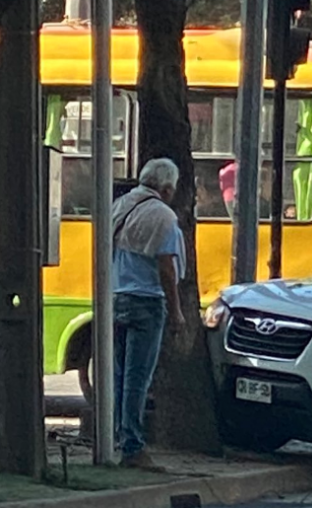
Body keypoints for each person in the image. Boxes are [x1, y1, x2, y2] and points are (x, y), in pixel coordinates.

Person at [111, 158, 186, 471]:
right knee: (137, 378)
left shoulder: (119, 205)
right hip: (147, 302)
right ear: (167, 188)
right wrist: (177, 312)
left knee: (118, 375)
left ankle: (116, 436)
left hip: (117, 297)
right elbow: (166, 269)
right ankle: (132, 446)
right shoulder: (163, 216)